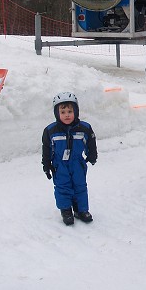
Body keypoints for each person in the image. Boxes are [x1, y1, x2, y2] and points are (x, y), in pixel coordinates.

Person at [42, 92, 98, 225]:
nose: (67, 115)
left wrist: (92, 155)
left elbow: (91, 142)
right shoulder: (51, 131)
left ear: (76, 111)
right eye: (63, 112)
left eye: (70, 111)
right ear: (57, 113)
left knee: (80, 186)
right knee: (63, 187)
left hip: (77, 163)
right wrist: (47, 165)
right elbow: (46, 149)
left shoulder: (84, 128)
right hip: (59, 165)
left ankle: (81, 210)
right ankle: (66, 210)